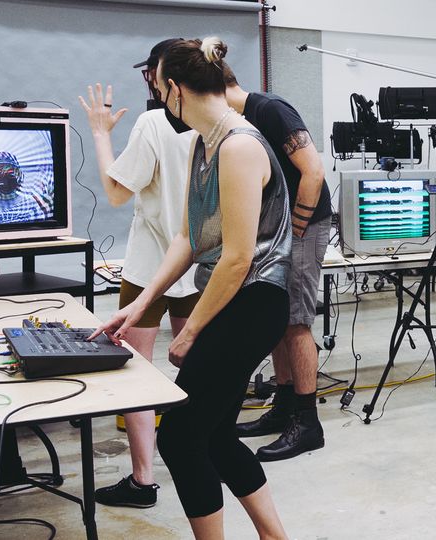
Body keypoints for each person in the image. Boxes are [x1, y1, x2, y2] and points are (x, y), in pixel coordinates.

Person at [91, 37, 291, 539]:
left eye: (159, 91)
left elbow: (238, 256)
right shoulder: (205, 142)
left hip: (254, 301)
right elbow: (187, 236)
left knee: (180, 437)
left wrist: (189, 329)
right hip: (230, 298)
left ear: (176, 89)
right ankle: (274, 535)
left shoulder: (240, 146)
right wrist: (138, 305)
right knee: (216, 435)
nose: (158, 101)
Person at [77, 39, 200, 509]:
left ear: (159, 77)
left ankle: (143, 480)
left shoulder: (152, 123)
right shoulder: (216, 125)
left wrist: (100, 131)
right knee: (197, 367)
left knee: (137, 372)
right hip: (197, 266)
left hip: (150, 267)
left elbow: (114, 192)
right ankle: (202, 456)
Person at [223, 63, 332, 462]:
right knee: (277, 320)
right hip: (278, 230)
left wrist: (297, 230)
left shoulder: (269, 109)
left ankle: (308, 423)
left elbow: (313, 171)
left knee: (297, 322)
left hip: (302, 226)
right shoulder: (240, 121)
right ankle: (285, 407)